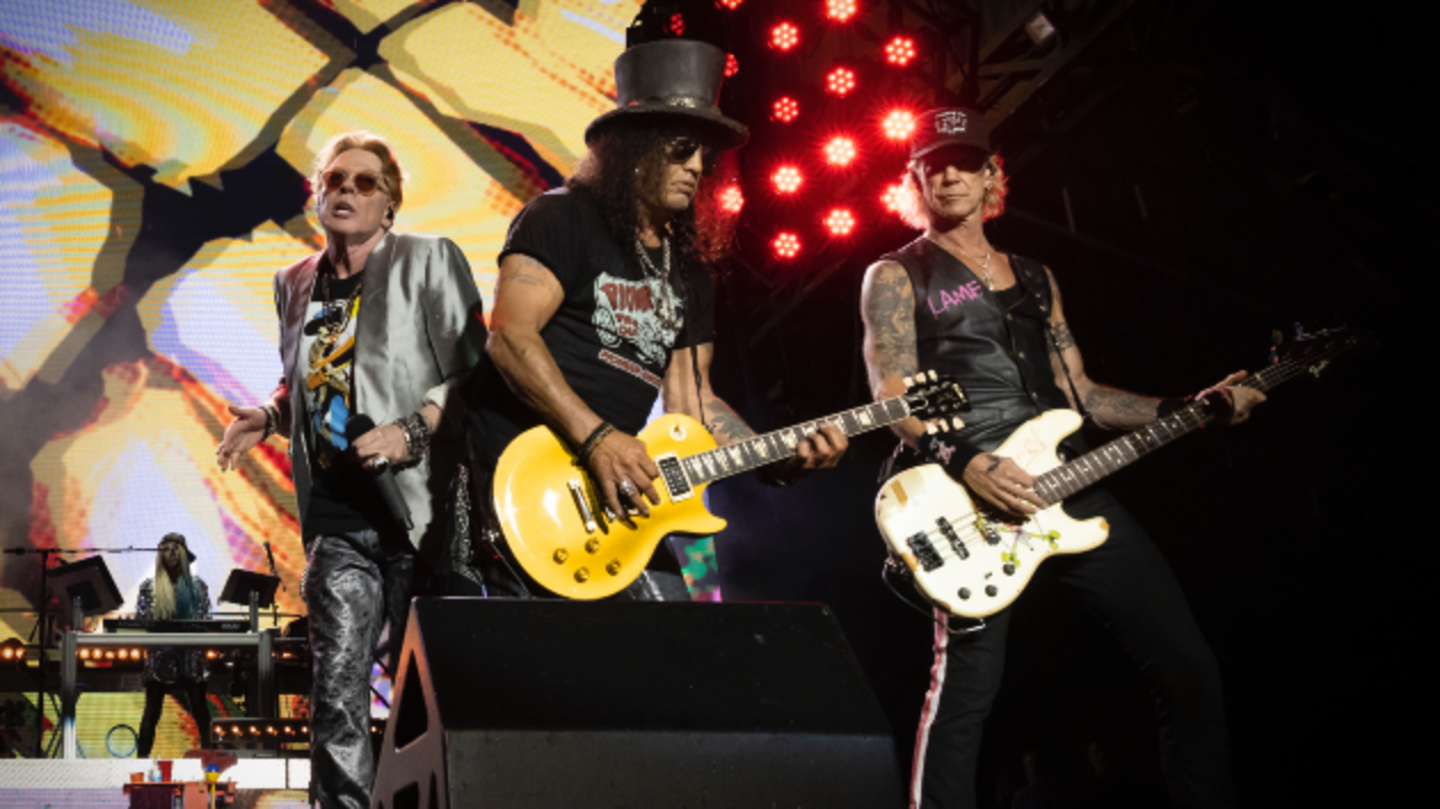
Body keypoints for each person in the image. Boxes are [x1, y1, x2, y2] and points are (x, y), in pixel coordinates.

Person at [859, 108, 1266, 809]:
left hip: (1071, 482)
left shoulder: (1035, 276)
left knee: (1188, 665)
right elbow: (889, 398)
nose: (949, 175)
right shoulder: (896, 275)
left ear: (992, 174)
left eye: (965, 162)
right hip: (971, 495)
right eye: (934, 165)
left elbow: (1084, 394)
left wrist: (1191, 405)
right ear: (915, 180)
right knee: (964, 695)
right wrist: (968, 462)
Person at [459, 39, 846, 599]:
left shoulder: (689, 272)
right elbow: (511, 339)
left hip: (620, 491)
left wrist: (775, 456)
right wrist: (598, 439)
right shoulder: (562, 215)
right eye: (683, 149)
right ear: (634, 147)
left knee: (673, 640)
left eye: (706, 157)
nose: (697, 167)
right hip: (530, 477)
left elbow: (694, 403)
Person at [215, 131, 484, 808]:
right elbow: (314, 382)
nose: (346, 191)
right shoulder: (293, 282)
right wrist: (270, 415)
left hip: (423, 514)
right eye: (334, 179)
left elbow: (476, 377)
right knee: (335, 694)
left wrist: (411, 430)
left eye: (365, 182)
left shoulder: (428, 259)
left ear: (390, 202)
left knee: (427, 699)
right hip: (337, 518)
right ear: (317, 193)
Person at [134, 532, 212, 757]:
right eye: (166, 548)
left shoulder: (198, 587)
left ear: (184, 555)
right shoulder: (148, 587)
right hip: (159, 655)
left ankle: (210, 761)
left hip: (191, 657)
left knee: (200, 710)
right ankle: (140, 763)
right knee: (151, 712)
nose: (171, 553)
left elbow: (205, 619)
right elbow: (141, 620)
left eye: (176, 548)